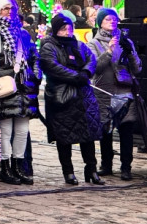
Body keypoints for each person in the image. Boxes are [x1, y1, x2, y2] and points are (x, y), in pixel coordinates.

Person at [0, 0, 40, 185]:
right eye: (5, 8)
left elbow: (34, 57)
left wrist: (36, 76)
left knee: (22, 130)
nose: (9, 12)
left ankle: (18, 166)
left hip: (24, 87)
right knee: (5, 131)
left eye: (11, 8)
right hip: (3, 87)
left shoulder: (23, 33)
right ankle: (5, 167)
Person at [40, 12, 102, 185]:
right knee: (64, 136)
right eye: (63, 29)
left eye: (69, 28)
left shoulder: (79, 44)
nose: (67, 32)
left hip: (83, 96)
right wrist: (75, 76)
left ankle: (91, 169)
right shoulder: (49, 46)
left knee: (87, 135)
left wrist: (86, 73)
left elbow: (91, 59)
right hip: (62, 96)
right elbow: (52, 66)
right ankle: (68, 171)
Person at [89, 9, 143, 181]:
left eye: (114, 19)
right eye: (107, 19)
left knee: (126, 131)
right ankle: (106, 165)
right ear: (100, 22)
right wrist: (109, 51)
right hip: (104, 93)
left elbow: (137, 69)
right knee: (106, 132)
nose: (112, 22)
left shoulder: (126, 41)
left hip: (125, 92)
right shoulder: (93, 43)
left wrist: (131, 53)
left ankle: (126, 167)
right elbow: (94, 68)